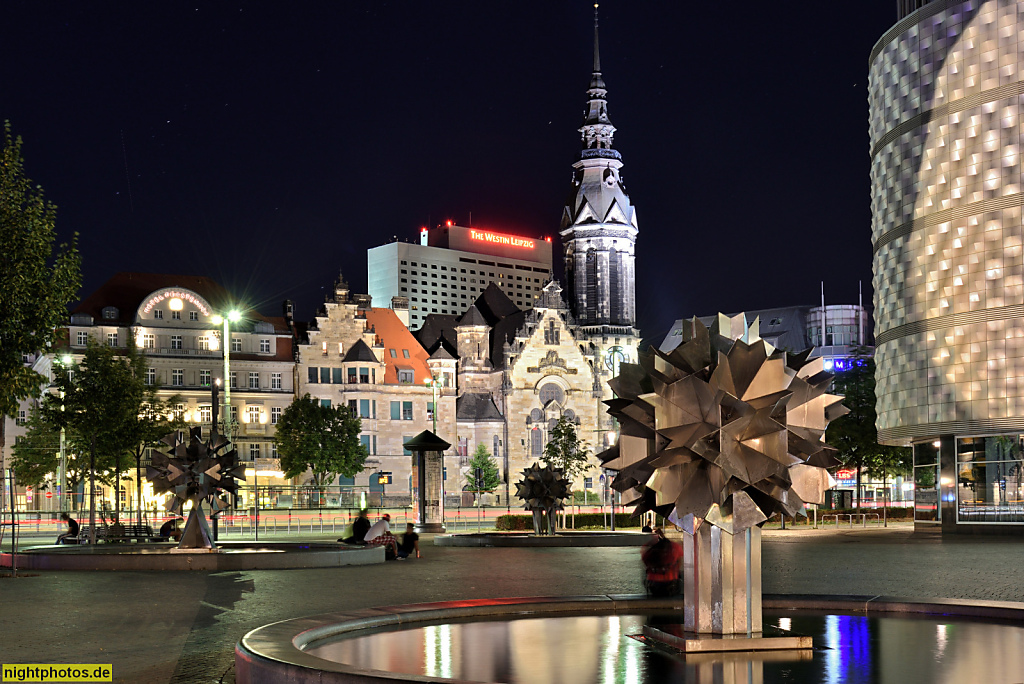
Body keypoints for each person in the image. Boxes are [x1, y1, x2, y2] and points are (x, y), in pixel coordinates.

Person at [641, 527, 684, 598]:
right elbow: (679, 562)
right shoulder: (674, 547)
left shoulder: (648, 548)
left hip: (653, 581)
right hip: (671, 580)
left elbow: (645, 562)